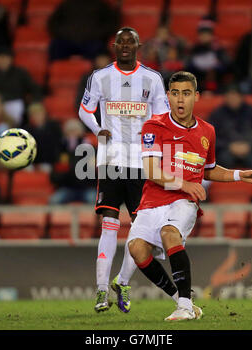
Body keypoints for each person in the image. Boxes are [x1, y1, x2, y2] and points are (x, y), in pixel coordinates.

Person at [127, 71, 252, 321]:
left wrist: (237, 175)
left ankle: (185, 306)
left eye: (186, 93)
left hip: (183, 201)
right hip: (153, 200)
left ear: (196, 97)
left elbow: (208, 169)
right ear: (168, 96)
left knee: (169, 233)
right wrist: (184, 183)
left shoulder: (207, 131)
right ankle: (181, 301)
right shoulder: (153, 126)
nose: (180, 100)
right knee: (136, 249)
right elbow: (151, 170)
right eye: (176, 93)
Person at [78, 27, 170, 313]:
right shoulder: (100, 77)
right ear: (114, 46)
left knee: (143, 230)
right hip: (111, 159)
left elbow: (162, 117)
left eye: (131, 42)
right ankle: (101, 291)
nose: (126, 46)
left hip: (142, 163)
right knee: (109, 221)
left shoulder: (152, 79)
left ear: (139, 46)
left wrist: (156, 151)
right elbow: (84, 109)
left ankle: (123, 281)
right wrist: (97, 128)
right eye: (122, 42)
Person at [208, 84, 252, 169]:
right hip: (226, 149)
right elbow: (211, 137)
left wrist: (249, 146)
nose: (233, 100)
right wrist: (229, 146)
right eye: (230, 97)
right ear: (225, 98)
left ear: (241, 97)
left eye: (235, 96)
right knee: (224, 159)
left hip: (250, 148)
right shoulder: (217, 114)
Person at [0, 47, 42, 125]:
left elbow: (35, 89)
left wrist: (34, 102)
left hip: (19, 108)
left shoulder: (20, 73)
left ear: (11, 59)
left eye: (5, 57)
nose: (3, 61)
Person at [47, 0, 119, 61]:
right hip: (66, 41)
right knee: (55, 46)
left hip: (92, 42)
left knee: (102, 56)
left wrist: (96, 35)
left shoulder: (101, 5)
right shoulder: (66, 4)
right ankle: (49, 76)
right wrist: (66, 34)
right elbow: (53, 23)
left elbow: (112, 24)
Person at [49, 119, 97, 204]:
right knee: (54, 200)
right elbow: (54, 175)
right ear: (66, 133)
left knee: (93, 200)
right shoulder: (60, 150)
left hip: (87, 188)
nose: (73, 134)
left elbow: (95, 173)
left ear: (81, 133)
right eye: (70, 131)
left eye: (76, 131)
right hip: (67, 187)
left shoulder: (91, 149)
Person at [186, 19, 231, 93]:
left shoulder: (218, 50)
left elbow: (228, 66)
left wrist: (215, 68)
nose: (204, 37)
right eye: (202, 35)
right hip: (198, 83)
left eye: (207, 35)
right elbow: (187, 67)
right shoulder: (194, 50)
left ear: (212, 36)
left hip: (217, 83)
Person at [24, 102, 62, 172]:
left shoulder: (53, 127)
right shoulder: (26, 130)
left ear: (44, 114)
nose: (37, 116)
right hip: (32, 161)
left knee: (46, 168)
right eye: (34, 114)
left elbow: (56, 146)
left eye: (39, 114)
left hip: (48, 160)